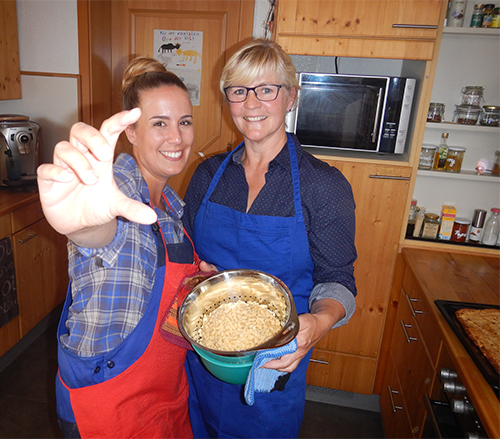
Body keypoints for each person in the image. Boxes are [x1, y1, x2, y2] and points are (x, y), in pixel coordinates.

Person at [182, 39, 358, 438]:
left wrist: (321, 321)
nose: (251, 103)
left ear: (291, 96)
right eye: (239, 91)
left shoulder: (323, 186)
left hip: (275, 364)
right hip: (203, 360)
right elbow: (188, 256)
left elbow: (338, 281)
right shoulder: (208, 176)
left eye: (267, 89)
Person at [38, 57, 211, 439]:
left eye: (184, 122)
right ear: (131, 133)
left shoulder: (170, 204)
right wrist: (83, 225)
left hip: (165, 392)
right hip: (108, 399)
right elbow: (98, 235)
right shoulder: (113, 192)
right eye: (159, 124)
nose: (178, 138)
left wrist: (200, 282)